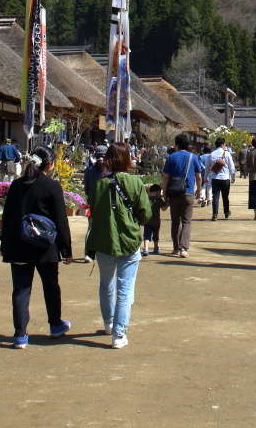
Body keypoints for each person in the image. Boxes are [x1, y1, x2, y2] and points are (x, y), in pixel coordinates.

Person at [0, 147, 73, 348]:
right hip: (45, 246)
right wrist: (66, 249)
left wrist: (5, 245)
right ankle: (55, 324)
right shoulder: (51, 186)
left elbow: (7, 218)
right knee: (51, 286)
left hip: (19, 245)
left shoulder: (16, 185)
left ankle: (20, 334)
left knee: (21, 289)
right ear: (49, 164)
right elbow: (61, 220)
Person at [85, 143, 152, 349]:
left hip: (104, 239)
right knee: (125, 288)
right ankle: (119, 333)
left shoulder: (99, 184)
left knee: (106, 284)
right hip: (129, 240)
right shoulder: (134, 183)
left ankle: (109, 323)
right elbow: (145, 213)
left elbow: (93, 210)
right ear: (127, 159)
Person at [160, 134, 204, 257]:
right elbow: (199, 177)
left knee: (175, 221)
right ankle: (183, 248)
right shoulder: (194, 157)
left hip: (173, 193)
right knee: (186, 221)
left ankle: (175, 248)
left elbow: (166, 177)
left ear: (177, 144)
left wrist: (164, 192)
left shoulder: (171, 157)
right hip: (188, 192)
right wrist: (199, 190)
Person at [208, 138, 235, 220]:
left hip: (215, 178)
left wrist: (206, 177)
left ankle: (214, 214)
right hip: (225, 178)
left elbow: (208, 167)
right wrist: (233, 177)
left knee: (215, 196)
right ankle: (226, 213)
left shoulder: (212, 154)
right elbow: (232, 167)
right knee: (225, 196)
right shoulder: (227, 154)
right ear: (223, 144)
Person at [142, 183, 167, 256]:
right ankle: (156, 247)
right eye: (159, 192)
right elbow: (163, 209)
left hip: (147, 220)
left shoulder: (146, 199)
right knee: (156, 234)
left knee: (146, 235)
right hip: (156, 221)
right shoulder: (159, 199)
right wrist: (168, 203)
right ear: (157, 192)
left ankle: (145, 248)